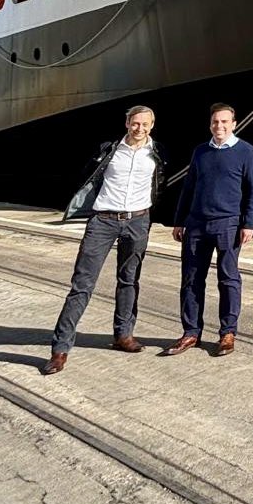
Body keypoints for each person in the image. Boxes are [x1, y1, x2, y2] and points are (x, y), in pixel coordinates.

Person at [42, 105, 165, 376]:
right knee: (82, 285)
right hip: (103, 221)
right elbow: (86, 178)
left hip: (138, 221)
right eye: (135, 123)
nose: (139, 129)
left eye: (145, 124)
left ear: (152, 125)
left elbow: (159, 184)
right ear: (127, 123)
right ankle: (60, 349)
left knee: (129, 280)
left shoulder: (156, 153)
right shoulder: (108, 150)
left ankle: (124, 335)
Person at [166, 103, 253, 357]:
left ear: (234, 123)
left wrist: (249, 223)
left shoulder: (246, 152)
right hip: (196, 222)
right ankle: (191, 333)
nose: (219, 126)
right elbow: (188, 188)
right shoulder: (200, 152)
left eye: (224, 122)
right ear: (210, 124)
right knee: (191, 279)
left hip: (228, 223)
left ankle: (228, 332)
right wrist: (179, 220)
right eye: (215, 122)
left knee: (228, 279)